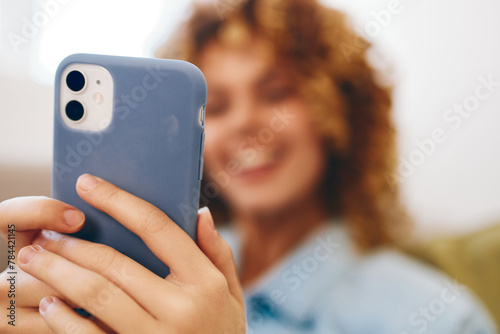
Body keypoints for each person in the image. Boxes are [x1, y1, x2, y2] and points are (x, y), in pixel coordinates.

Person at [0, 0, 496, 333]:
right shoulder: (132, 269)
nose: (244, 124)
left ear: (339, 113)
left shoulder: (435, 318)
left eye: (277, 93)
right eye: (213, 107)